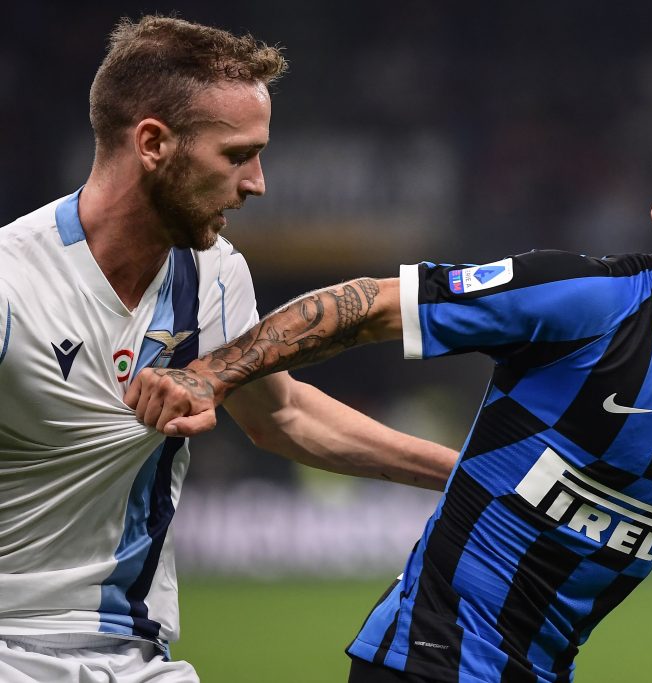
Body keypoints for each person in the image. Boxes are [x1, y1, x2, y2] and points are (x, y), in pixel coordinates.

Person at [128, 108, 652, 682]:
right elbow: (371, 304)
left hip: (544, 668)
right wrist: (211, 373)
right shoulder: (584, 303)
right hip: (429, 657)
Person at [0, 16, 455, 682]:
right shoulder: (13, 285)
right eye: (238, 155)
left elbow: (283, 416)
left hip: (135, 655)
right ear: (153, 143)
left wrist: (466, 476)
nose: (257, 182)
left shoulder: (213, 275)